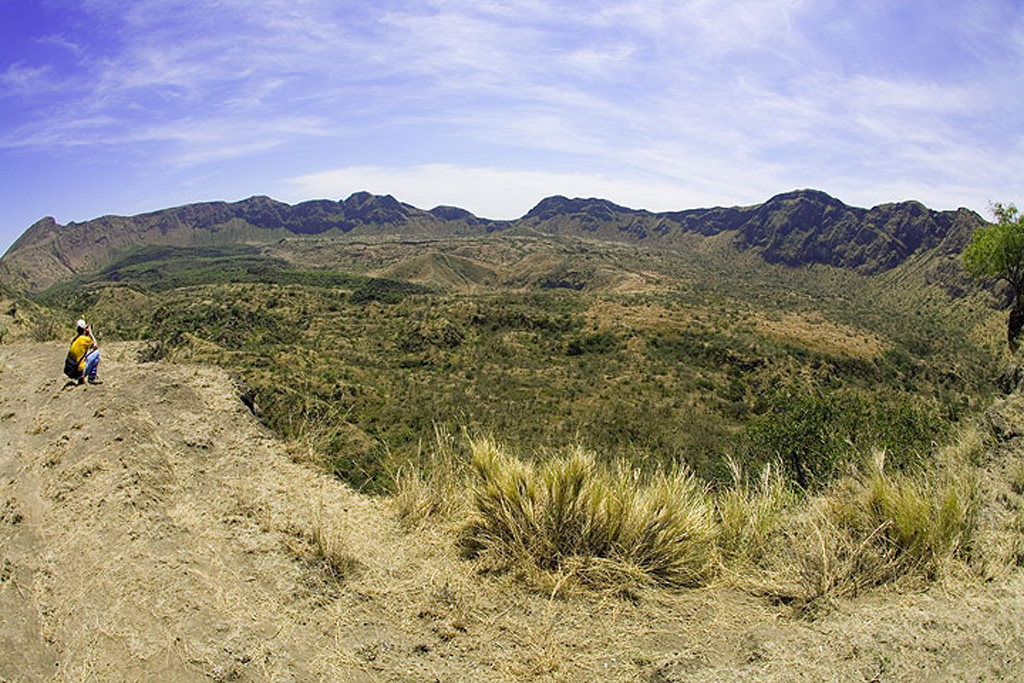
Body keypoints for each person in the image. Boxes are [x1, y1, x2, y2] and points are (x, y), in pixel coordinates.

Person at [64, 318, 102, 385]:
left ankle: (80, 377)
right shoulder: (84, 339)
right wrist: (90, 333)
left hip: (73, 372)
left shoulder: (75, 340)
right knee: (96, 353)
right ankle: (92, 378)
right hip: (81, 370)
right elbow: (95, 346)